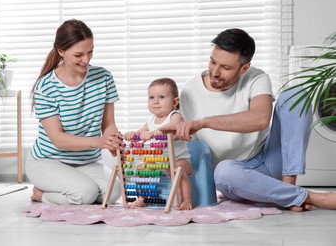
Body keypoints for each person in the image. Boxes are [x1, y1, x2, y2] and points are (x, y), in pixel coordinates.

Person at [160, 28, 336, 212]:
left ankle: (289, 187)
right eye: (213, 62)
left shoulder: (257, 77)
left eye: (226, 67)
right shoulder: (190, 90)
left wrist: (203, 122)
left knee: (295, 95)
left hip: (268, 159)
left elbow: (260, 119)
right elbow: (193, 150)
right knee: (223, 171)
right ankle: (307, 197)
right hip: (234, 176)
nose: (215, 72)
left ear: (244, 68)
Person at [25, 19, 123, 205]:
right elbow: (58, 139)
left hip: (85, 161)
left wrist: (112, 141)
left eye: (90, 51)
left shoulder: (104, 77)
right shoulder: (46, 86)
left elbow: (108, 124)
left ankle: (71, 186)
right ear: (61, 51)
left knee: (113, 192)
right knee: (86, 193)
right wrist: (98, 142)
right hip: (48, 161)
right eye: (78, 54)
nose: (86, 59)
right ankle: (40, 194)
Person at [124, 78, 193, 210]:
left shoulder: (175, 116)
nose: (155, 101)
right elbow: (140, 135)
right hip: (159, 161)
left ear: (175, 102)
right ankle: (142, 198)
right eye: (151, 97)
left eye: (161, 97)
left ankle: (186, 200)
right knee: (141, 169)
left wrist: (154, 133)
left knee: (179, 170)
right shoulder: (151, 121)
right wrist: (132, 135)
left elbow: (173, 127)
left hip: (179, 159)